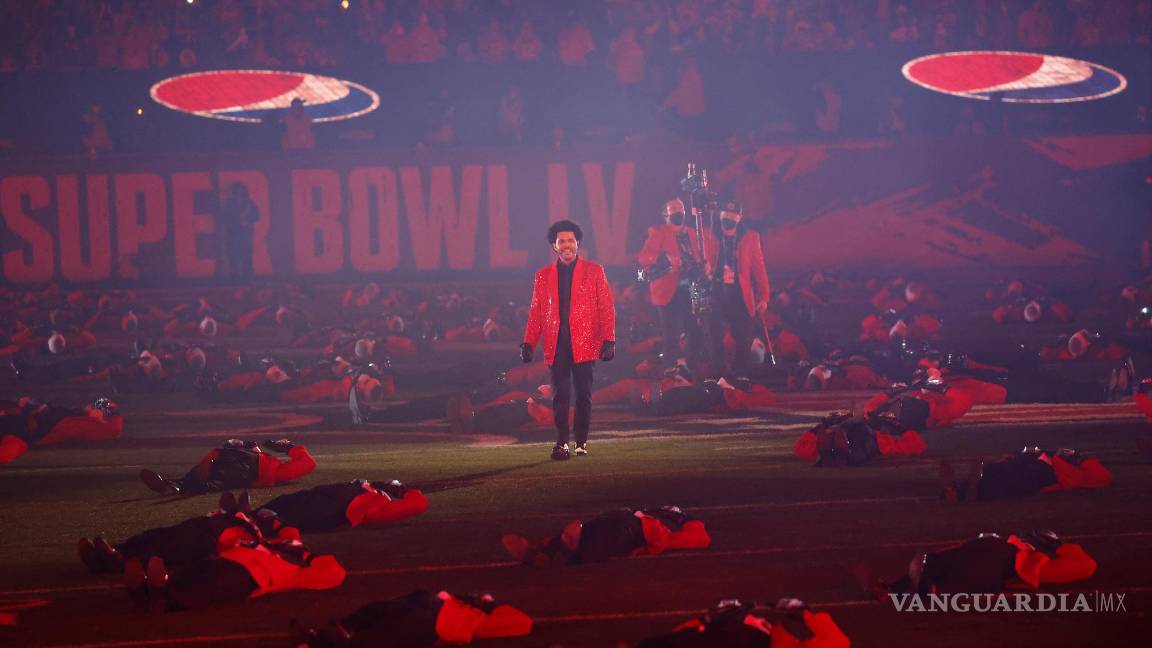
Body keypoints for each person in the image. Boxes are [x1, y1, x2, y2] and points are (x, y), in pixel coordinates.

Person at [521, 220, 616, 460]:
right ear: (554, 246)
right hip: (556, 344)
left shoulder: (595, 271)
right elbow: (536, 312)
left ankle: (581, 441)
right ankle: (562, 443)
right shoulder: (542, 276)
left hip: (585, 343)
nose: (567, 245)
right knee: (560, 395)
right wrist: (529, 343)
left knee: (583, 394)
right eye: (561, 241)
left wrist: (609, 339)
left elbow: (606, 307)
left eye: (571, 241)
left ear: (578, 243)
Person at [636, 198, 709, 367]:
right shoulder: (658, 232)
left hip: (692, 290)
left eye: (681, 208)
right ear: (665, 215)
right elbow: (644, 258)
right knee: (672, 336)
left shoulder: (693, 232)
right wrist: (667, 259)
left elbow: (702, 257)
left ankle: (692, 369)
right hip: (668, 291)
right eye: (674, 208)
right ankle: (670, 373)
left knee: (696, 332)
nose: (678, 211)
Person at [706, 200, 770, 378]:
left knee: (743, 337)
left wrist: (764, 296)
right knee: (715, 336)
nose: (729, 219)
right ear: (720, 215)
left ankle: (742, 375)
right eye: (726, 215)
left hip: (740, 295)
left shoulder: (750, 237)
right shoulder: (709, 236)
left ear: (740, 218)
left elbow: (759, 268)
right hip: (716, 293)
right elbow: (704, 266)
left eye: (733, 216)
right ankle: (717, 374)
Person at [138, 438, 315, 496]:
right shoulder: (275, 469)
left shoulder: (264, 460)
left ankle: (174, 485)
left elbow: (238, 445)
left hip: (225, 459)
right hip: (245, 469)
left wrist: (287, 447)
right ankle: (177, 487)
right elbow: (308, 463)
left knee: (205, 477)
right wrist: (289, 447)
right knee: (216, 482)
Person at [220, 182, 258, 278]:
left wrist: (248, 221)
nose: (239, 193)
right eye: (237, 191)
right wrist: (236, 222)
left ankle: (248, 277)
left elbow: (257, 216)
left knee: (247, 257)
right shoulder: (228, 204)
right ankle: (235, 278)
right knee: (233, 257)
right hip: (233, 235)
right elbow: (224, 218)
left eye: (241, 191)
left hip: (246, 235)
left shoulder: (249, 203)